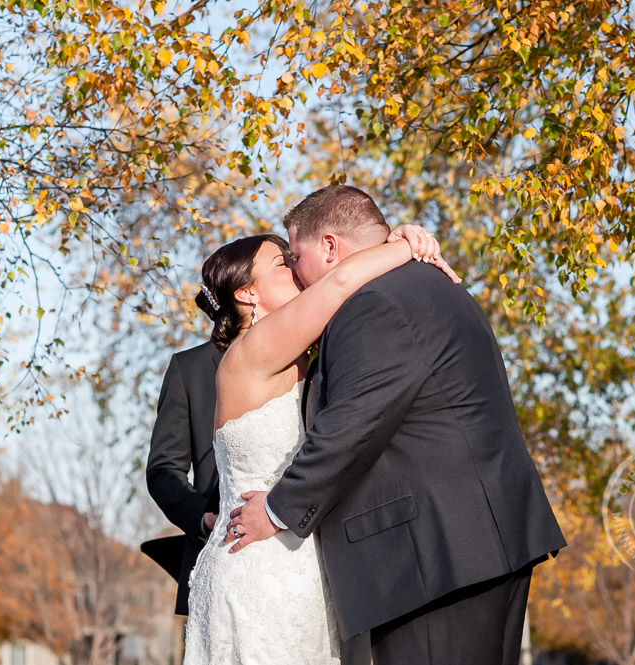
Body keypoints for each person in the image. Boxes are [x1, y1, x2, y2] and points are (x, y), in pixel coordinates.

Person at [226, 185, 568, 665]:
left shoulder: (373, 304)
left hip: (435, 558)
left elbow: (353, 424)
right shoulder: (432, 284)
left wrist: (280, 509)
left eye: (295, 256)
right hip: (475, 544)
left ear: (329, 247)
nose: (297, 273)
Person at [183, 227, 456, 665]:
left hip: (302, 561)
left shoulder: (295, 353)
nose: (295, 268)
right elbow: (342, 282)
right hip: (263, 571)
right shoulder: (255, 349)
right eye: (282, 264)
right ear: (248, 294)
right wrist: (406, 245)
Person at [145, 339, 222, 616]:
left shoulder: (312, 354)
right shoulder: (190, 368)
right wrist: (203, 517)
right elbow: (163, 469)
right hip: (221, 557)